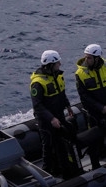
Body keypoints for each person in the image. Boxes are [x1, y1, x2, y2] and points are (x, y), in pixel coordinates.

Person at [30, 50, 82, 178]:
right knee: (48, 146)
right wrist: (51, 118)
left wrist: (68, 105)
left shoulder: (57, 75)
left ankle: (66, 169)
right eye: (57, 62)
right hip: (46, 121)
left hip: (59, 115)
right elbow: (37, 106)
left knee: (63, 142)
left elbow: (61, 93)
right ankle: (47, 173)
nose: (60, 64)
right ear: (50, 64)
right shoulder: (38, 83)